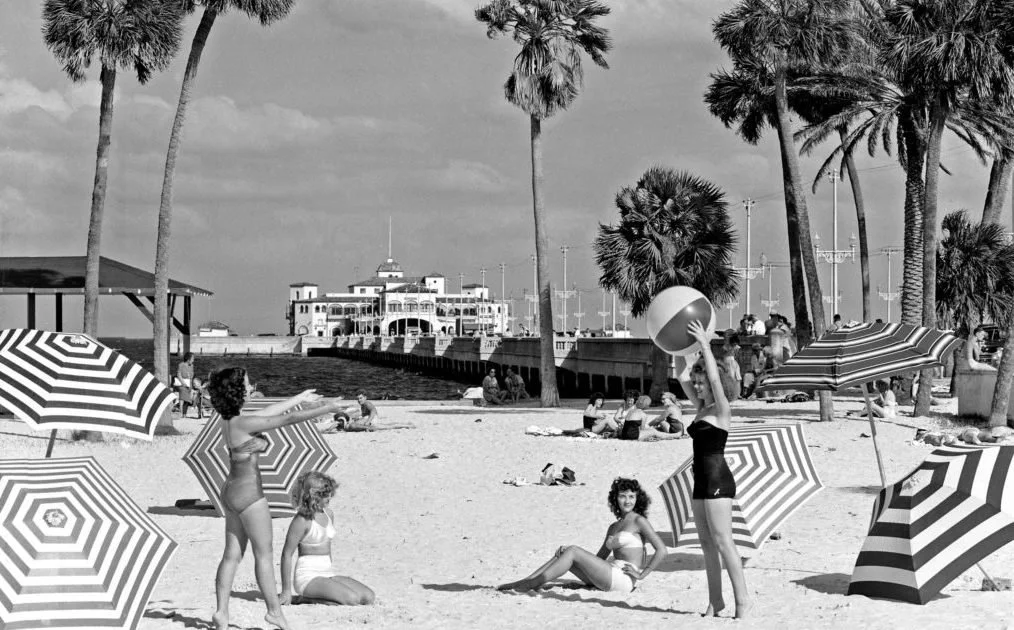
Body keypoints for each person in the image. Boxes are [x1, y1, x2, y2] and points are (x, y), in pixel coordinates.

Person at [208, 367, 345, 630]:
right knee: (263, 555)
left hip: (230, 491)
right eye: (247, 384)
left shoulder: (229, 420)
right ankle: (274, 612)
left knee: (231, 555)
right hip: (249, 495)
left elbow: (269, 412)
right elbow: (287, 420)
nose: (250, 387)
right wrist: (325, 408)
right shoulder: (243, 423)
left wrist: (300, 397)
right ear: (238, 390)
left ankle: (221, 612)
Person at [674, 320, 752, 619]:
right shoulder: (701, 408)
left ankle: (743, 600)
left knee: (723, 541)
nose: (696, 386)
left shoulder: (721, 410)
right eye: (697, 383)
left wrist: (705, 345)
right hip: (700, 481)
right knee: (706, 545)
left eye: (701, 383)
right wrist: (676, 345)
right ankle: (715, 601)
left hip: (719, 479)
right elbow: (681, 375)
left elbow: (717, 381)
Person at [497, 477, 667, 593]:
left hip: (623, 579)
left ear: (638, 499)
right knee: (565, 552)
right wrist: (577, 558)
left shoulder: (638, 520)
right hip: (609, 574)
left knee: (573, 551)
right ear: (615, 499)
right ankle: (526, 581)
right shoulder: (613, 527)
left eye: (632, 496)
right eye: (623, 496)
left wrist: (642, 574)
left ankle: (533, 583)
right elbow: (600, 558)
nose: (628, 501)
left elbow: (661, 550)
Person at [280, 471, 374, 606]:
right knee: (352, 599)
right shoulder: (302, 520)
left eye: (330, 493)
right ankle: (305, 598)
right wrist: (286, 591)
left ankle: (325, 594)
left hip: (327, 573)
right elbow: (286, 555)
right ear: (313, 496)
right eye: (325, 494)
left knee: (368, 597)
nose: (329, 497)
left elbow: (328, 549)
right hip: (307, 577)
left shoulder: (329, 514)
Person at [177, 352, 196, 418]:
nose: (193, 360)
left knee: (187, 400)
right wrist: (183, 383)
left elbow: (192, 375)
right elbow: (178, 374)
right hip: (182, 384)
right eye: (192, 359)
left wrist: (191, 385)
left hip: (189, 384)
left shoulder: (192, 366)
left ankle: (184, 414)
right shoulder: (181, 365)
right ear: (188, 359)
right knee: (182, 398)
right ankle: (181, 412)